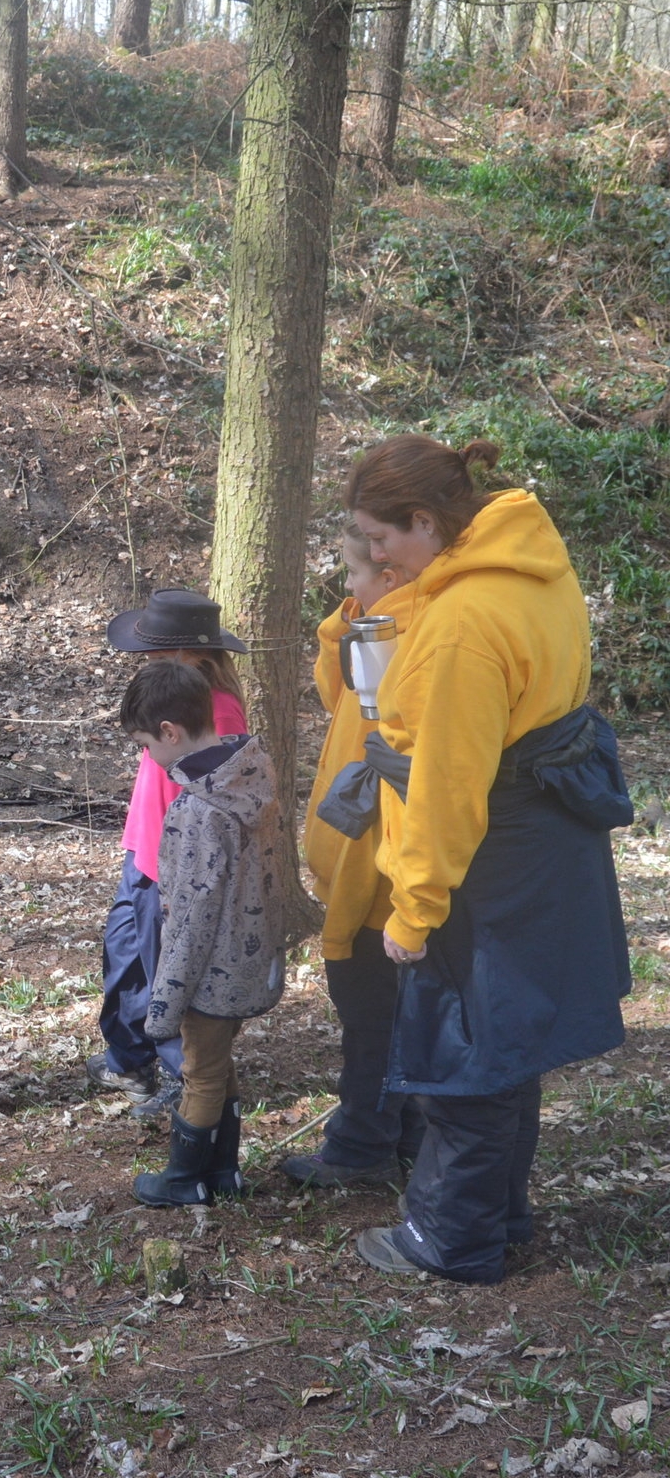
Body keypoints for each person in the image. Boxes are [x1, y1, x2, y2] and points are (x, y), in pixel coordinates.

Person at [333, 436, 632, 1284]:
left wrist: (413, 909)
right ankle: (499, 1214)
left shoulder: (463, 626)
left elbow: (446, 789)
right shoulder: (529, 567)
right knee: (508, 1044)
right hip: (545, 843)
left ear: (424, 522)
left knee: (460, 1051)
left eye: (377, 536)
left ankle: (450, 1239)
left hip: (488, 860)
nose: (372, 554)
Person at [282, 524, 425, 1188]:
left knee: (371, 1018)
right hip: (365, 871)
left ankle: (361, 1147)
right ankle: (403, 1135)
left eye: (350, 578)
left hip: (376, 875)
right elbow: (331, 692)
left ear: (390, 577)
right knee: (385, 1015)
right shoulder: (373, 633)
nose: (342, 591)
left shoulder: (406, 639)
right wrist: (348, 620)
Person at [118, 662, 287, 1206]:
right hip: (247, 954)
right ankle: (222, 1173)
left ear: (170, 732)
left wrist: (164, 1003)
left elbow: (190, 919)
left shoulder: (198, 812)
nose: (147, 755)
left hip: (210, 969)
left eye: (145, 743)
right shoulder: (251, 770)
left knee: (201, 1072)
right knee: (217, 1062)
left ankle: (184, 1178)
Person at [90, 589, 249, 1120]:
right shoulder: (169, 697)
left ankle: (187, 1081)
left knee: (169, 972)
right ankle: (127, 1059)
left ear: (189, 654)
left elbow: (216, 800)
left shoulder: (217, 710)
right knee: (125, 960)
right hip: (143, 848)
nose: (145, 661)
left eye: (155, 654)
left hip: (174, 865)